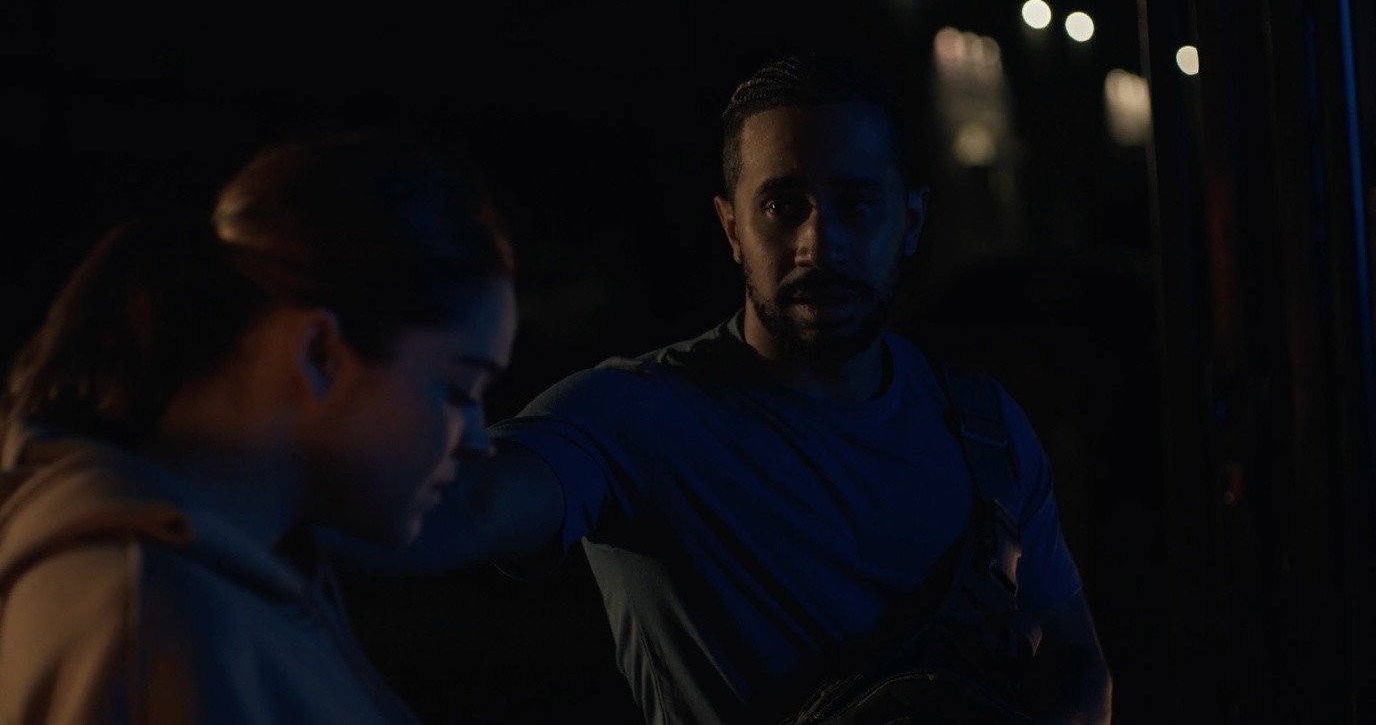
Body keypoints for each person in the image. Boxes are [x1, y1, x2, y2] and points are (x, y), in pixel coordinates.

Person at [391, 55, 1113, 724]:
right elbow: (467, 505)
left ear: (912, 221)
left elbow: (1078, 659)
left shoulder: (983, 427)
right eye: (782, 205)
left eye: (857, 203)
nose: (819, 244)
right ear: (731, 227)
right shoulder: (639, 417)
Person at [0, 135, 516, 724]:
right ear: (319, 354)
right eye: (459, 390)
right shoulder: (151, 624)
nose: (478, 441)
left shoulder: (254, 575)